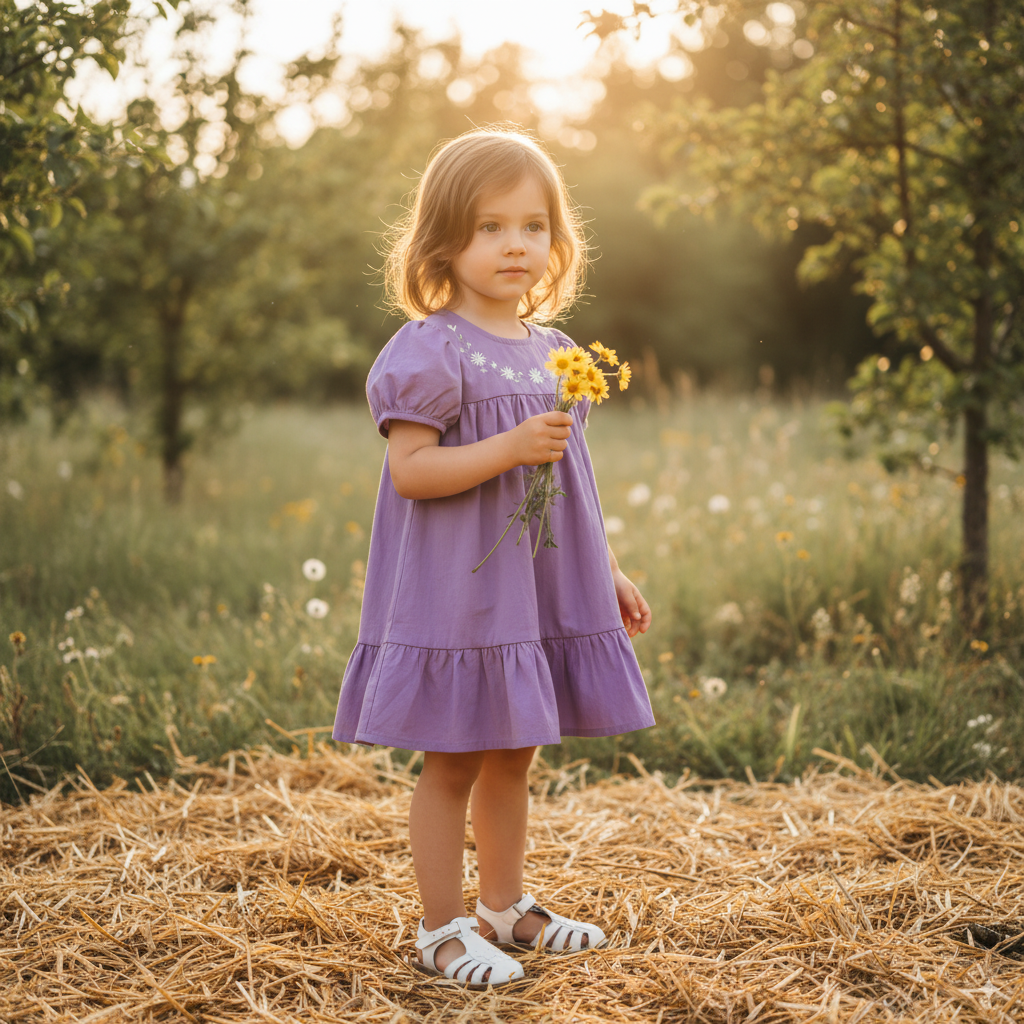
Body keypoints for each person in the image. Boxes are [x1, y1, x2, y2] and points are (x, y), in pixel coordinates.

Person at [332, 126, 654, 988]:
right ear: (443, 242)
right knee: (455, 758)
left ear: (558, 239)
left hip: (538, 589)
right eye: (489, 228)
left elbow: (571, 480)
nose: (516, 244)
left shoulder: (558, 352)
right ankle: (440, 930)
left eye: (534, 225)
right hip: (461, 594)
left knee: (516, 751)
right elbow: (411, 472)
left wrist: (607, 569)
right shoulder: (428, 350)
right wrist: (508, 446)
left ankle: (504, 908)